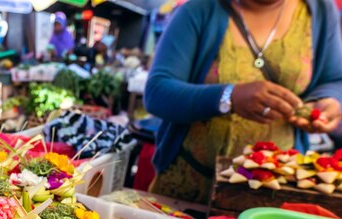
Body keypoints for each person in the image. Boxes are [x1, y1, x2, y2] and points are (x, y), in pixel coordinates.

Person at [144, 0, 342, 204]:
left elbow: (335, 80)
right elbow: (157, 92)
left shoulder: (319, 12)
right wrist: (229, 97)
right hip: (190, 188)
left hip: (274, 193)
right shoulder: (199, 10)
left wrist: (327, 101)